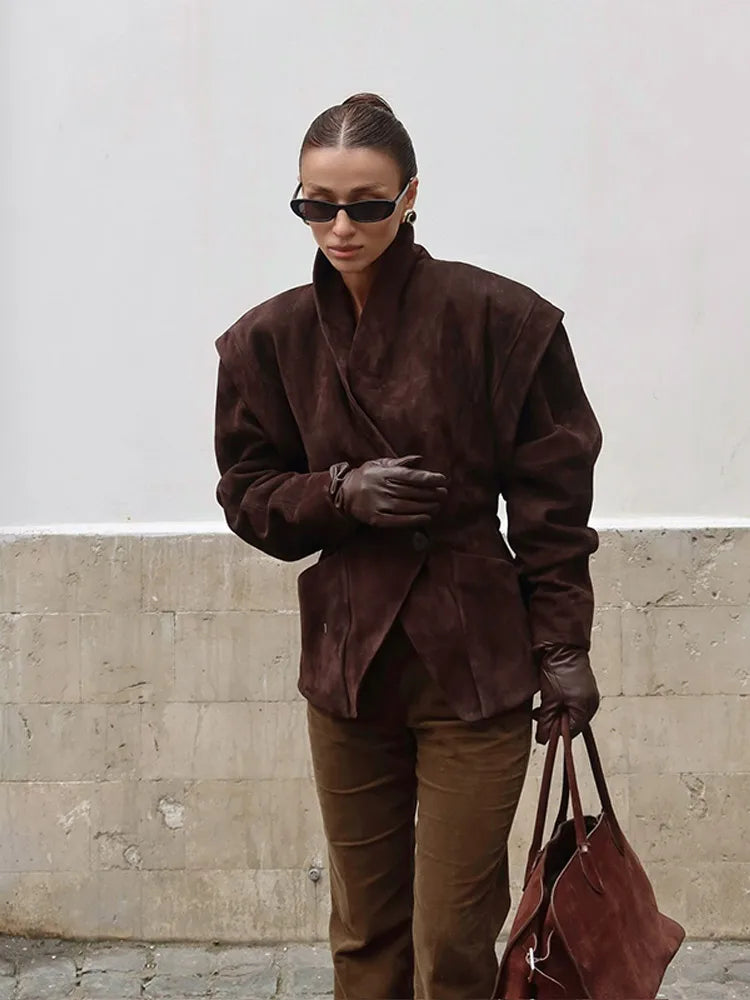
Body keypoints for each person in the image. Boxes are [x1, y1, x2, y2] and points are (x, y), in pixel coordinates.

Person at [213, 93, 602, 1000]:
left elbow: (553, 504)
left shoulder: (504, 322)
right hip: (348, 665)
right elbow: (246, 494)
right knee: (365, 932)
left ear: (412, 195)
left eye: (367, 204)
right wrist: (340, 491)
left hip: (474, 662)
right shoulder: (266, 342)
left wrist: (563, 647)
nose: (340, 226)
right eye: (317, 204)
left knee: (455, 940)